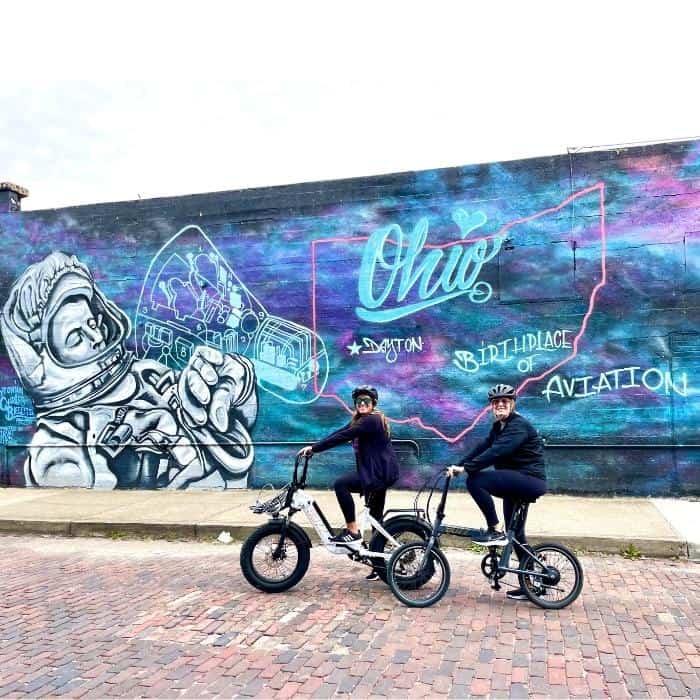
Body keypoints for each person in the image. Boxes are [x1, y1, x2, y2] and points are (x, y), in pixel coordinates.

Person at [1, 252, 258, 490]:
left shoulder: (147, 374)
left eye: (93, 324)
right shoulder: (61, 444)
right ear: (42, 357)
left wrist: (233, 391)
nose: (97, 338)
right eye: (76, 337)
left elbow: (225, 426)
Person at [447, 383, 546, 600]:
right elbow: (483, 447)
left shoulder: (518, 426)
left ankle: (494, 529)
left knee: (476, 481)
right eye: (496, 402)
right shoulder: (499, 427)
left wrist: (467, 469)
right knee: (516, 535)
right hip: (517, 482)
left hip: (529, 480)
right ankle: (532, 583)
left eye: (504, 401)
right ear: (491, 406)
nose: (500, 405)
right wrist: (458, 465)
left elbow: (497, 452)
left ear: (512, 404)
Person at [298, 385, 399, 556]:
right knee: (375, 518)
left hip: (378, 474)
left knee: (341, 484)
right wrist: (314, 446)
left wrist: (315, 449)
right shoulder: (360, 420)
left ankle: (352, 531)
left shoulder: (372, 420)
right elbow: (340, 432)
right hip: (378, 473)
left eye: (366, 400)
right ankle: (379, 563)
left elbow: (343, 437)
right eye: (359, 401)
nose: (362, 403)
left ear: (373, 403)